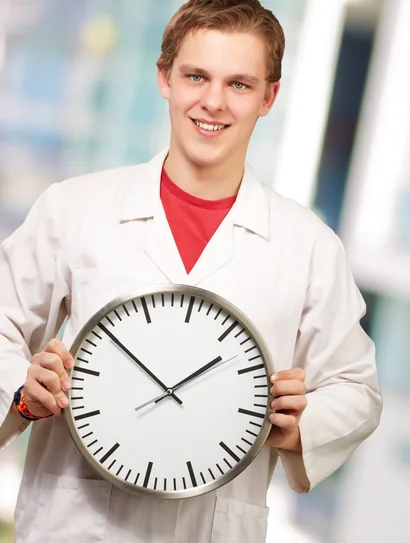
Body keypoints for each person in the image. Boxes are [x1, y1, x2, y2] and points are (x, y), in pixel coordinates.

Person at [0, 0, 382, 541]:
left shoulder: (311, 247)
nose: (213, 102)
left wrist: (303, 423)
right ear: (165, 78)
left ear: (269, 96)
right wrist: (23, 388)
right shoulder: (73, 209)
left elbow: (356, 390)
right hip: (77, 523)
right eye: (196, 76)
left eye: (239, 84)